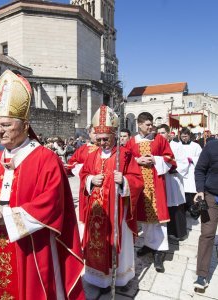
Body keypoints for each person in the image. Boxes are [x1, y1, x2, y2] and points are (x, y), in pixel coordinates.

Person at [0, 70, 85, 300]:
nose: (0, 130)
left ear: (24, 125)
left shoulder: (45, 158)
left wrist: (7, 217)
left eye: (6, 125)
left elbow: (51, 203)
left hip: (32, 246)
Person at [80, 105, 143, 294]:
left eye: (105, 139)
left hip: (117, 211)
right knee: (96, 243)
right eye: (98, 139)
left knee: (117, 243)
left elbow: (138, 180)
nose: (102, 143)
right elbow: (83, 175)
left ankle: (120, 277)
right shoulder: (92, 155)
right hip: (97, 212)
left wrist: (124, 180)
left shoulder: (124, 155)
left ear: (114, 135)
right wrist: (91, 180)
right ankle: (97, 279)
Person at [125, 112, 176, 272]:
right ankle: (148, 245)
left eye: (151, 124)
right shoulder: (132, 142)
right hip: (140, 185)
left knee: (158, 220)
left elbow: (170, 158)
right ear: (139, 124)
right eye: (147, 124)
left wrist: (155, 159)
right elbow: (124, 161)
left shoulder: (159, 139)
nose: (151, 127)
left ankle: (160, 252)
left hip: (156, 183)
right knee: (144, 220)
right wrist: (137, 161)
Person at [193, 130, 218, 291]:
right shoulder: (211, 147)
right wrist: (200, 190)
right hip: (211, 196)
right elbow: (200, 170)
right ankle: (202, 275)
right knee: (207, 234)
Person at [157, 124, 188, 240]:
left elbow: (184, 162)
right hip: (162, 180)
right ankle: (168, 231)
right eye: (159, 133)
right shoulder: (157, 147)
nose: (161, 135)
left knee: (176, 205)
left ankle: (179, 232)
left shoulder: (176, 146)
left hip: (173, 179)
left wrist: (173, 167)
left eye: (163, 133)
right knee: (165, 205)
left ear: (169, 133)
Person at [178, 127, 202, 213]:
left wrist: (192, 159)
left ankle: (193, 209)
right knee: (182, 190)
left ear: (189, 136)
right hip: (181, 172)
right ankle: (183, 209)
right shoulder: (177, 146)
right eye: (182, 136)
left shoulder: (196, 146)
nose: (184, 138)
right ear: (180, 136)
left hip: (191, 171)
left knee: (192, 190)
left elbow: (201, 158)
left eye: (186, 136)